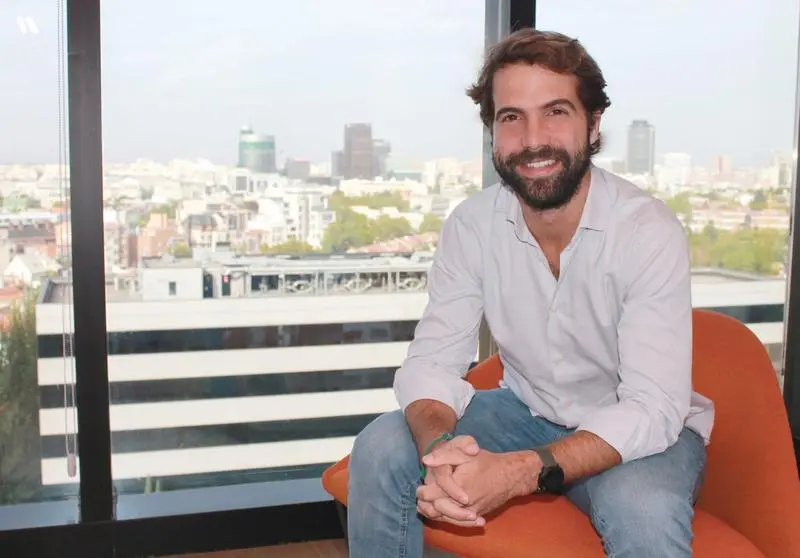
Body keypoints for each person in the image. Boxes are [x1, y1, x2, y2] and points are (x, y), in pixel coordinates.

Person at [346, 28, 715, 558]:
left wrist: (522, 471)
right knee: (381, 446)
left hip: (634, 430)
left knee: (643, 509)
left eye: (556, 112)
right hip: (527, 412)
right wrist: (441, 449)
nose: (533, 138)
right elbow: (432, 363)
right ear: (493, 132)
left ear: (594, 124)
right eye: (511, 117)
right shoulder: (472, 225)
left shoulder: (645, 231)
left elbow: (652, 408)